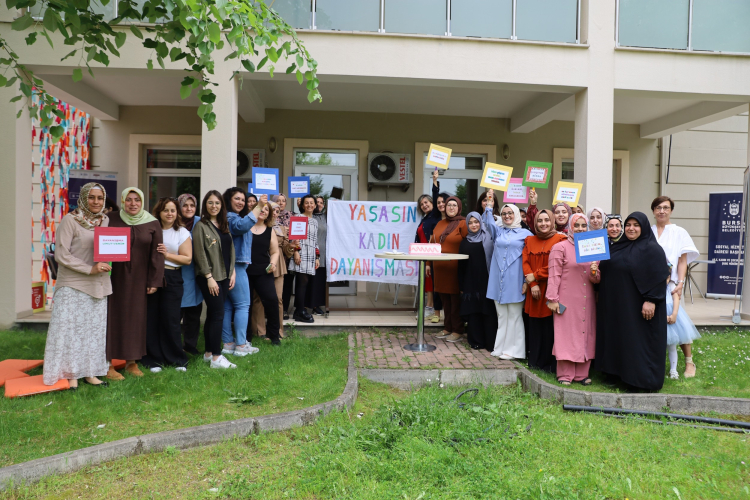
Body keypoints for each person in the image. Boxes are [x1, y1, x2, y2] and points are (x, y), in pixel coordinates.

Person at [43, 183, 111, 388]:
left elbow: (107, 249)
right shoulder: (70, 220)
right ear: (83, 198)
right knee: (71, 332)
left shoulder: (105, 220)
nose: (96, 202)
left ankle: (90, 373)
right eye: (91, 197)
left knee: (93, 332)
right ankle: (71, 375)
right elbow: (62, 255)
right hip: (73, 284)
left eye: (100, 198)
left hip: (98, 285)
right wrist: (90, 269)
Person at [596, 212, 670, 392]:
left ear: (643, 227)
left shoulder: (652, 249)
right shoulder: (617, 246)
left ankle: (639, 380)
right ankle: (614, 374)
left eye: (636, 225)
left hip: (640, 307)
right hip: (617, 305)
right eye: (628, 225)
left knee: (637, 342)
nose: (631, 228)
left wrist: (651, 300)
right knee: (618, 339)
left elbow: (659, 276)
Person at [106, 187, 164, 380]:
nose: (133, 204)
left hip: (139, 280)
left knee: (135, 320)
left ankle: (131, 362)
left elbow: (157, 254)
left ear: (142, 202)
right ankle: (107, 363)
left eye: (137, 200)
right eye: (129, 200)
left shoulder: (152, 223)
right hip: (112, 278)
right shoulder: (111, 219)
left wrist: (154, 280)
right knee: (111, 319)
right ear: (123, 201)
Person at [546, 213, 600, 385]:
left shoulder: (591, 247)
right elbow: (554, 274)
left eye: (584, 226)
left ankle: (582, 374)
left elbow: (596, 279)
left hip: (587, 299)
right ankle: (565, 374)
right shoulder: (560, 247)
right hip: (566, 299)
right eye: (577, 225)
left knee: (586, 333)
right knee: (566, 334)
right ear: (570, 227)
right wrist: (552, 298)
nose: (580, 229)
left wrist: (594, 271)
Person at [651, 195, 701, 378]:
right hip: (652, 285)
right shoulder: (649, 231)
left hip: (672, 285)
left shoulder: (679, 232)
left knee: (679, 323)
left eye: (665, 207)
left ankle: (689, 362)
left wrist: (680, 283)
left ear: (671, 210)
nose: (662, 211)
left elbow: (682, 260)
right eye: (658, 208)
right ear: (653, 211)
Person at [141, 197, 191, 373]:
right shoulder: (151, 229)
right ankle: (153, 360)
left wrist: (167, 255)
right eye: (166, 210)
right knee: (152, 318)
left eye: (173, 210)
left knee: (171, 319)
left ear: (177, 213)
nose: (169, 213)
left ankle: (176, 359)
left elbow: (187, 259)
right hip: (152, 276)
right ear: (159, 212)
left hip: (172, 276)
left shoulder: (182, 232)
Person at [482, 191, 532, 359]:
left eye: (510, 213)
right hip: (498, 280)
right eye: (504, 214)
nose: (507, 216)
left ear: (516, 214)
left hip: (515, 279)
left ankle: (514, 351)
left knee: (515, 316)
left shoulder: (526, 234)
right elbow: (488, 222)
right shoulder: (499, 231)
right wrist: (489, 205)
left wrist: (526, 281)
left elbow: (529, 258)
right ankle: (500, 347)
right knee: (502, 315)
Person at [193, 190, 238, 369]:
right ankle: (217, 357)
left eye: (217, 203)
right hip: (209, 277)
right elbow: (199, 254)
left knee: (213, 314)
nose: (214, 206)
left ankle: (208, 353)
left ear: (222, 205)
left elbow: (230, 250)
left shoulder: (223, 224)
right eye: (210, 203)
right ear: (205, 205)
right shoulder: (201, 226)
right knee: (218, 314)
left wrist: (232, 272)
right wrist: (209, 277)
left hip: (225, 275)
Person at [521, 209, 566, 372]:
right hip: (534, 289)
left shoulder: (560, 239)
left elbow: (557, 264)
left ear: (552, 221)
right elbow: (525, 262)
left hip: (552, 287)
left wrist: (536, 276)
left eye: (547, 220)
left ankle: (549, 363)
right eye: (540, 221)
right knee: (535, 326)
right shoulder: (529, 240)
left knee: (550, 326)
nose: (543, 223)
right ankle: (535, 360)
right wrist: (532, 283)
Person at [222, 187, 260, 357]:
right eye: (237, 199)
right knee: (243, 306)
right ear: (228, 200)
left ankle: (228, 344)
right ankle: (241, 345)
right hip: (236, 266)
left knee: (228, 307)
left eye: (243, 200)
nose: (241, 202)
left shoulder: (230, 217)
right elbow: (241, 226)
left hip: (229, 266)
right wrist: (260, 206)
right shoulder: (231, 217)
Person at [428, 196, 468, 342]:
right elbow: (432, 244)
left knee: (455, 300)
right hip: (440, 269)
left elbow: (468, 243)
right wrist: (428, 263)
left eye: (454, 205)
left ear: (459, 208)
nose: (451, 207)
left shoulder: (463, 223)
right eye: (449, 205)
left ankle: (457, 330)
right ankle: (447, 327)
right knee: (444, 299)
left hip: (455, 269)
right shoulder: (440, 223)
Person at [252, 202, 293, 339]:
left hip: (278, 264)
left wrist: (292, 246)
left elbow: (286, 249)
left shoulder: (281, 228)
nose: (275, 213)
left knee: (277, 299)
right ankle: (259, 331)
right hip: (260, 265)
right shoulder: (251, 226)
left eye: (276, 211)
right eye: (273, 210)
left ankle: (278, 331)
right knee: (258, 299)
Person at [458, 211, 497, 350]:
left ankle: (490, 342)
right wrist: (461, 285)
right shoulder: (464, 242)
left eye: (476, 222)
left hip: (487, 281)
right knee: (474, 312)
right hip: (471, 282)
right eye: (470, 223)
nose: (473, 225)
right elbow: (461, 265)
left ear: (481, 222)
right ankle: (476, 341)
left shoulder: (489, 238)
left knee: (488, 312)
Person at [246, 202, 282, 345]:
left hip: (263, 271)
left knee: (272, 301)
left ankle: (274, 336)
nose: (263, 211)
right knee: (246, 305)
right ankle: (246, 337)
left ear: (269, 214)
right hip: (245, 271)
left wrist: (273, 263)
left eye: (267, 209)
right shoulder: (245, 227)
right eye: (261, 208)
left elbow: (275, 251)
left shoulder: (270, 230)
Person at [177, 193, 203, 355]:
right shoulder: (173, 222)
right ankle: (174, 347)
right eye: (185, 205)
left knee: (193, 314)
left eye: (192, 205)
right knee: (175, 314)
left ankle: (190, 346)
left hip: (196, 274)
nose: (189, 208)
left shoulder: (200, 222)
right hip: (178, 272)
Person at [416, 170, 442, 321]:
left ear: (432, 203)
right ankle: (429, 307)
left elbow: (436, 196)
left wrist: (434, 181)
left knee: (430, 280)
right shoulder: (424, 219)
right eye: (422, 204)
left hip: (432, 254)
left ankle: (430, 307)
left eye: (426, 202)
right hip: (423, 254)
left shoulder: (435, 215)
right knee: (427, 281)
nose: (424, 205)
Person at [666, 266, 701, 379]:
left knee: (672, 346)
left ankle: (673, 370)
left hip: (671, 320)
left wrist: (674, 314)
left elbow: (676, 299)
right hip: (661, 319)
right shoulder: (654, 288)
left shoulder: (671, 286)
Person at [288, 194, 319, 323]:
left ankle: (298, 311)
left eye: (312, 203)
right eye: (306, 203)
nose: (309, 205)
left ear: (315, 205)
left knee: (305, 283)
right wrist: (296, 252)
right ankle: (300, 311)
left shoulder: (315, 221)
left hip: (311, 254)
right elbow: (294, 237)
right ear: (302, 205)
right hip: (301, 253)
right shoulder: (298, 218)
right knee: (301, 282)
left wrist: (317, 257)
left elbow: (315, 241)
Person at [307, 196, 327, 315]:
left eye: (321, 203)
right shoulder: (310, 217)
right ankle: (310, 305)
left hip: (323, 254)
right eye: (317, 202)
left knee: (319, 281)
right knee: (311, 281)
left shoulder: (325, 217)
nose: (319, 204)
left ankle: (317, 305)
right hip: (311, 252)